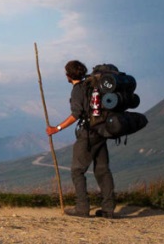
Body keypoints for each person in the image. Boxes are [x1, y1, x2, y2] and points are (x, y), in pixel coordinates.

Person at [46, 60, 115, 218]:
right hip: (102, 131)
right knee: (103, 170)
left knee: (77, 171)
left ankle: (82, 208)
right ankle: (108, 209)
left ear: (69, 75)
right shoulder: (93, 85)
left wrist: (56, 129)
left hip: (88, 134)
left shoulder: (78, 90)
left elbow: (76, 114)